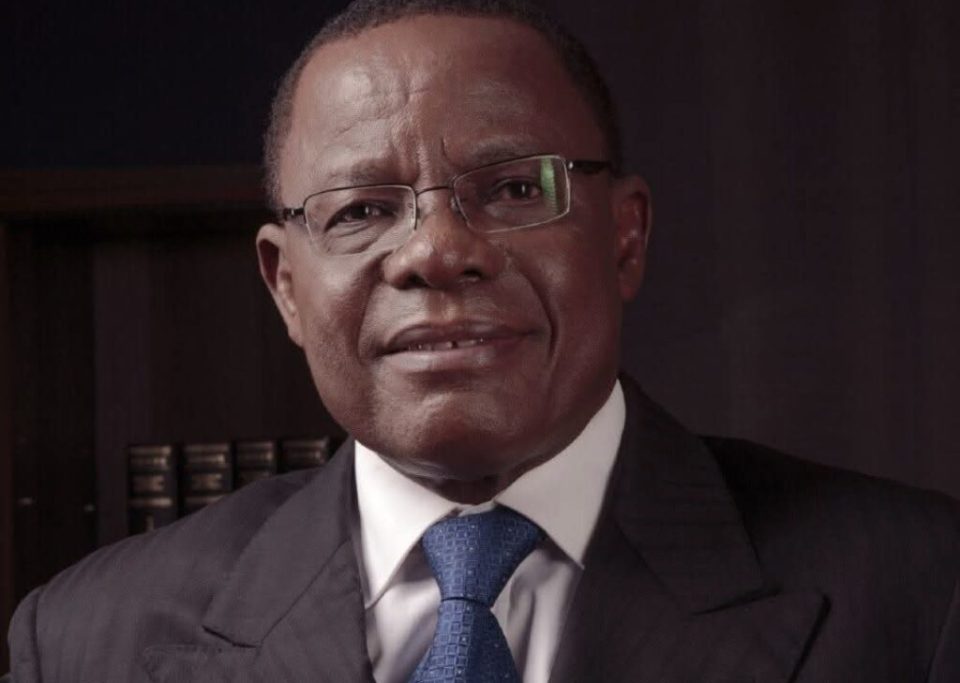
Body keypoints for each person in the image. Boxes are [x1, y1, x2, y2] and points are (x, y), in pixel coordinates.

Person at [7, 1, 960, 681]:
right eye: (362, 209)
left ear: (625, 237)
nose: (436, 251)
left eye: (511, 189)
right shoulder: (83, 642)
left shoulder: (924, 597)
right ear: (285, 284)